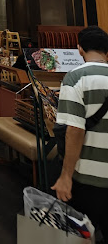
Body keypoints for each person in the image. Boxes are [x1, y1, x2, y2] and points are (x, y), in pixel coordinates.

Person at [52, 25, 108, 240]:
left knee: (83, 234)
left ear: (79, 49)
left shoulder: (75, 78)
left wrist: (66, 176)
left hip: (88, 179)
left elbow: (74, 131)